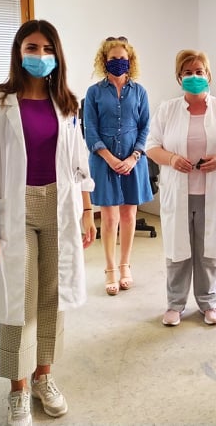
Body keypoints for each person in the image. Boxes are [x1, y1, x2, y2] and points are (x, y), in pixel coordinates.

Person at [0, 19, 97, 426]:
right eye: (32, 48)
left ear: (57, 55)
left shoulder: (67, 103)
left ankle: (43, 377)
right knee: (18, 299)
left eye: (47, 49)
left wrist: (87, 210)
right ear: (18, 52)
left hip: (60, 206)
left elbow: (78, 160)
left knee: (52, 296)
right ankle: (17, 389)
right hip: (15, 209)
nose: (40, 56)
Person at [145, 50, 216, 326]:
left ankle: (209, 303)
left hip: (211, 193)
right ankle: (175, 305)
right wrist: (172, 159)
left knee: (209, 251)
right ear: (179, 77)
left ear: (208, 75)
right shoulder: (167, 110)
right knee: (177, 250)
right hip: (178, 192)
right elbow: (151, 146)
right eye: (188, 72)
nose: (194, 76)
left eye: (199, 71)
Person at [84, 36, 152, 296]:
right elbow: (90, 130)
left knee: (129, 216)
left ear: (130, 60)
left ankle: (125, 266)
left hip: (134, 162)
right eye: (113, 59)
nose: (119, 63)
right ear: (104, 61)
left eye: (123, 59)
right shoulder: (94, 92)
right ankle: (110, 268)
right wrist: (110, 159)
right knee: (110, 218)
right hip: (104, 162)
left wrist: (133, 157)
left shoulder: (140, 91)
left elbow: (145, 126)